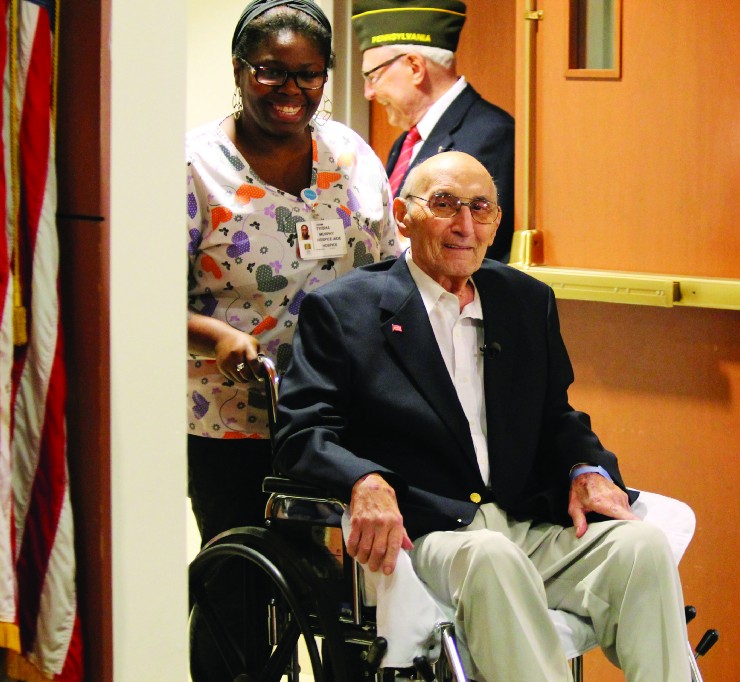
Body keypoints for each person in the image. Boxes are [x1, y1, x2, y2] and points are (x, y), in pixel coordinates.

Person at [274, 151, 692, 681]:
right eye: (445, 205)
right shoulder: (343, 310)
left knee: (641, 546)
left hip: (525, 521)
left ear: (496, 222)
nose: (464, 226)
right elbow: (302, 432)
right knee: (491, 556)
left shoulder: (524, 300)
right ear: (404, 215)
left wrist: (587, 470)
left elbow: (556, 414)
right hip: (427, 535)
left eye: (481, 208)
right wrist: (364, 478)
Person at [186, 0, 399, 677]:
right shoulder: (195, 167)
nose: (291, 90)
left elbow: (393, 268)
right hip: (234, 423)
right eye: (271, 72)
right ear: (239, 70)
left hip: (339, 419)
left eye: (309, 74)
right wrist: (217, 336)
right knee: (240, 604)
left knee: (351, 604)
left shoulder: (351, 156)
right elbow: (139, 300)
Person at [351, 0, 516, 262]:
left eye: (373, 76)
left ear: (415, 67)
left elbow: (482, 249)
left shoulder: (492, 135)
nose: (368, 93)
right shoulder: (406, 142)